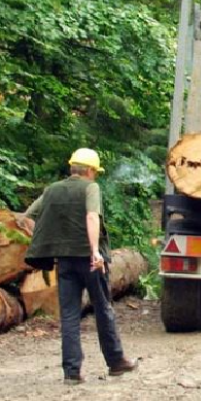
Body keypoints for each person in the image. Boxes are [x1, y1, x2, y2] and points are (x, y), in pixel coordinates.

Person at [24, 148, 137, 384]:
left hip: (64, 261)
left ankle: (71, 372)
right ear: (90, 170)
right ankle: (116, 362)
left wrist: (47, 243)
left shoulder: (52, 190)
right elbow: (92, 216)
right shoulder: (90, 188)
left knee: (69, 314)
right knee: (103, 309)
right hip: (91, 261)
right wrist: (95, 251)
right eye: (95, 172)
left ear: (71, 167)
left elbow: (28, 216)